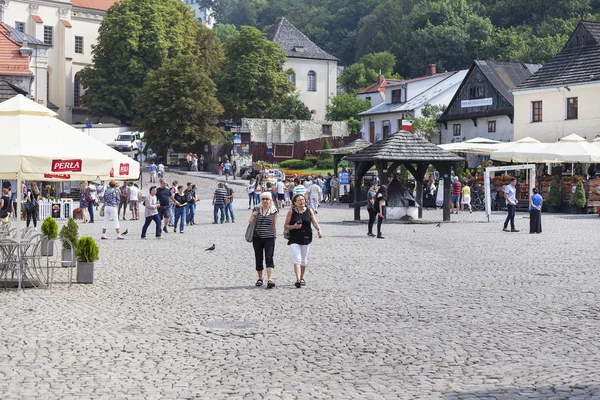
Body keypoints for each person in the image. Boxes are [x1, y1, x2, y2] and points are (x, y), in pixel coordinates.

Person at [284, 193, 323, 288]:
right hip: (294, 238)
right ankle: (297, 279)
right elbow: (286, 226)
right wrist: (294, 226)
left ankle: (302, 277)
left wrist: (319, 230)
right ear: (295, 203)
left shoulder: (309, 211)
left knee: (304, 260)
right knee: (297, 258)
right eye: (299, 200)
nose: (302, 202)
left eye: (303, 200)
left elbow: (314, 222)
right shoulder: (291, 212)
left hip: (306, 238)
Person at [249, 192, 278, 289]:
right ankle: (260, 278)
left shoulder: (274, 211)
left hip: (269, 238)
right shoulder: (256, 209)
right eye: (263, 199)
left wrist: (275, 235)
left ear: (270, 200)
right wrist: (253, 215)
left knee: (269, 257)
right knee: (259, 258)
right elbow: (250, 222)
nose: (265, 201)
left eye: (267, 199)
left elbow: (274, 225)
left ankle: (270, 279)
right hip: (257, 238)